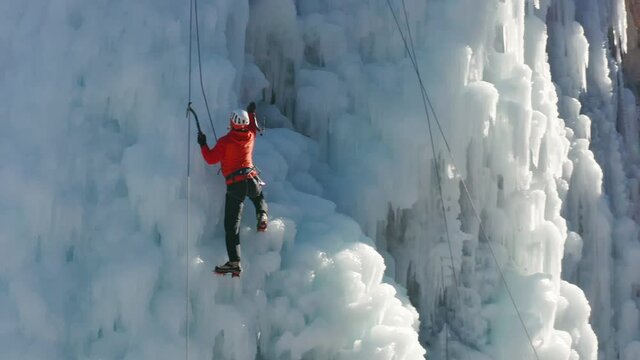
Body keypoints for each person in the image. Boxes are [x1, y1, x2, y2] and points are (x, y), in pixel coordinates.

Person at [197, 102, 268, 276]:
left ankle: (234, 262)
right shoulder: (250, 135)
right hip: (252, 180)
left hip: (235, 186)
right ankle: (262, 215)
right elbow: (252, 125)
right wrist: (252, 113)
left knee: (231, 227)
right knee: (258, 197)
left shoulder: (225, 142)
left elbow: (210, 159)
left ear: (233, 123)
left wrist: (203, 144)